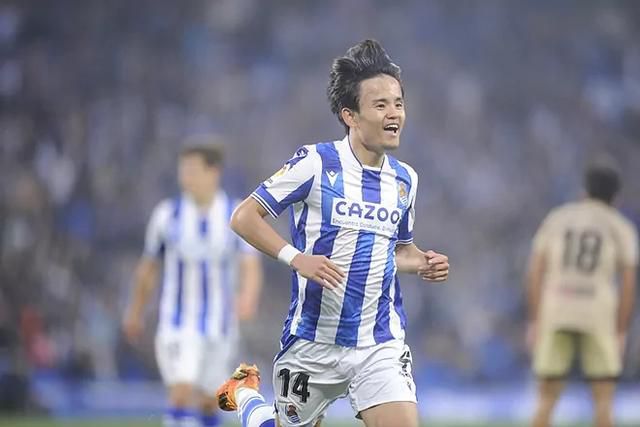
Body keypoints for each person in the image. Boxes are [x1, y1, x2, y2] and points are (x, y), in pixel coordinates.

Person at [217, 39, 449, 427]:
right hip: (314, 342)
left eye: (398, 103)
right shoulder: (315, 163)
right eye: (380, 105)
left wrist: (423, 262)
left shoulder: (405, 180)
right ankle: (243, 393)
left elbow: (398, 250)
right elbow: (244, 216)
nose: (394, 113)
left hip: (379, 342)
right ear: (350, 116)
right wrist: (296, 258)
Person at [123, 142, 263, 427]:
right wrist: (135, 311)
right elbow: (148, 269)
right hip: (177, 323)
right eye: (182, 171)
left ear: (214, 172)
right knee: (181, 392)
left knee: (210, 402)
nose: (185, 178)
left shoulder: (234, 213)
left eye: (192, 171)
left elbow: (250, 263)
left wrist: (248, 296)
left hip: (220, 325)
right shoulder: (167, 215)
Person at [526, 159, 638, 427]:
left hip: (558, 308)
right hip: (597, 312)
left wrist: (535, 319)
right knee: (603, 401)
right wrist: (621, 330)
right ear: (616, 196)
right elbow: (628, 283)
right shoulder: (620, 227)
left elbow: (536, 271)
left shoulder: (559, 218)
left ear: (584, 190)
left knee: (545, 400)